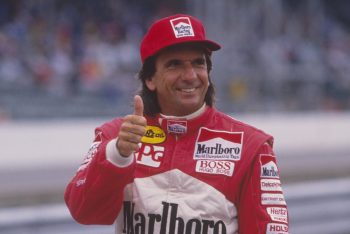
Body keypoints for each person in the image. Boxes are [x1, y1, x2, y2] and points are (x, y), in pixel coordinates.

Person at [65, 14, 289, 234]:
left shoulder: (252, 147)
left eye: (198, 63)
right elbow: (84, 212)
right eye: (175, 65)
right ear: (150, 79)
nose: (190, 75)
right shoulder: (118, 136)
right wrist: (117, 154)